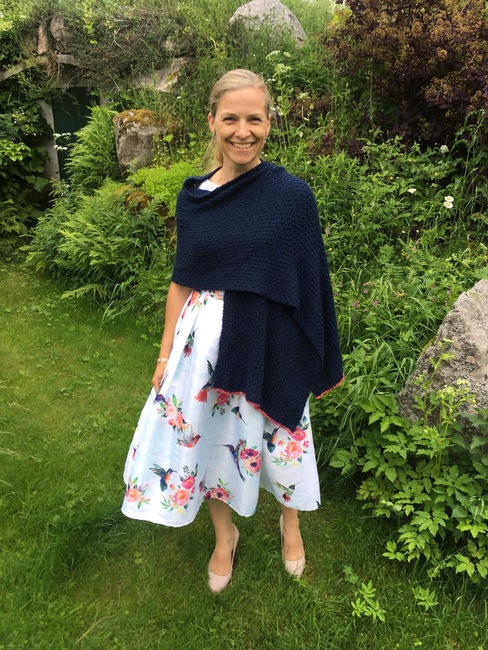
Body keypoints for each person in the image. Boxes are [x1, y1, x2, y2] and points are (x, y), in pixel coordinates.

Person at [122, 69, 343, 593]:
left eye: (254, 119)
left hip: (272, 339)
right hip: (203, 346)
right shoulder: (195, 198)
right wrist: (163, 357)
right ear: (212, 122)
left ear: (269, 123)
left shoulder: (292, 196)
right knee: (213, 439)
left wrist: (313, 349)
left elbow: (311, 279)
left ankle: (290, 523)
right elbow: (182, 281)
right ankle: (225, 538)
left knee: (281, 439)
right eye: (231, 119)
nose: (243, 131)